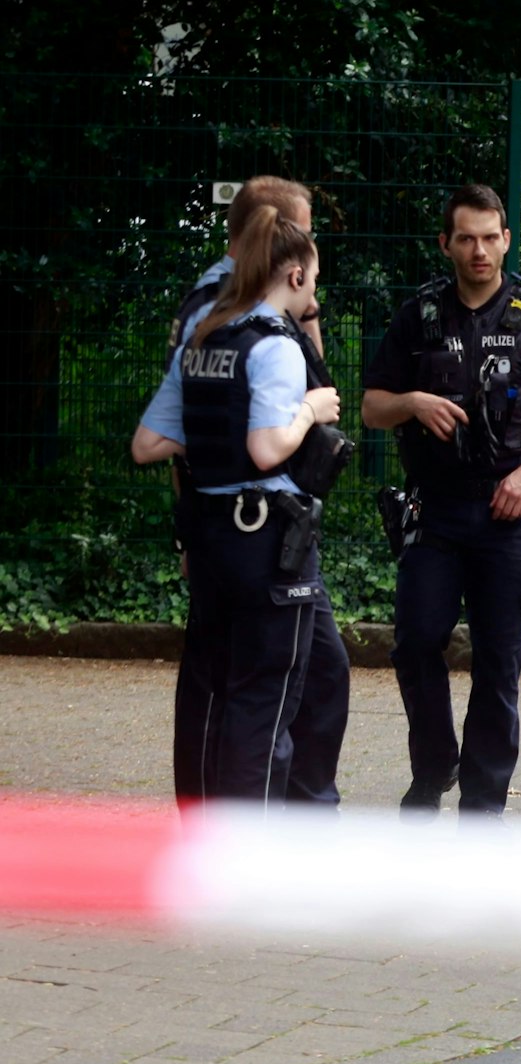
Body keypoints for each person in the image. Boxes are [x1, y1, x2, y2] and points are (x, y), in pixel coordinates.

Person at [361, 184, 521, 820]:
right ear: (447, 244)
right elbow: (371, 406)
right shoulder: (419, 315)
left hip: (508, 513)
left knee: (498, 660)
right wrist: (412, 403)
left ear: (507, 238)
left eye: (491, 237)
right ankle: (433, 768)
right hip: (435, 511)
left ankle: (484, 801)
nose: (479, 250)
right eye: (467, 239)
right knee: (416, 641)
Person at [130, 204, 350, 805]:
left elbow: (147, 444)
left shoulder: (204, 336)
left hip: (209, 541)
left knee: (210, 692)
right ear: (296, 276)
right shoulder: (275, 343)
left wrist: (215, 439)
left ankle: (202, 839)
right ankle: (248, 860)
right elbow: (264, 448)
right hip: (266, 545)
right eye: (316, 277)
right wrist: (310, 412)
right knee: (264, 698)